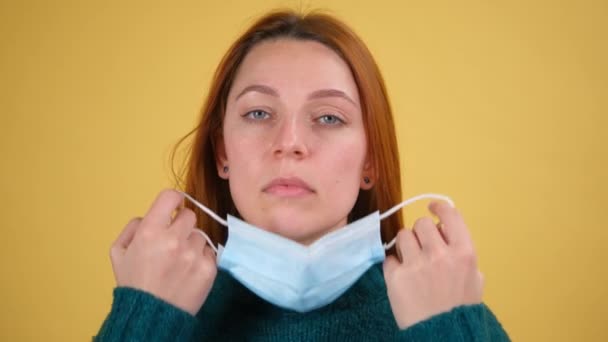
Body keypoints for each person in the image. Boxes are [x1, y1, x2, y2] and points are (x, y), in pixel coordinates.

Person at [95, 9, 510, 341]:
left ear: (371, 162)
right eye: (259, 113)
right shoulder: (154, 313)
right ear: (222, 152)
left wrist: (446, 331)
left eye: (329, 117)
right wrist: (145, 315)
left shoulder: (446, 313)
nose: (289, 142)